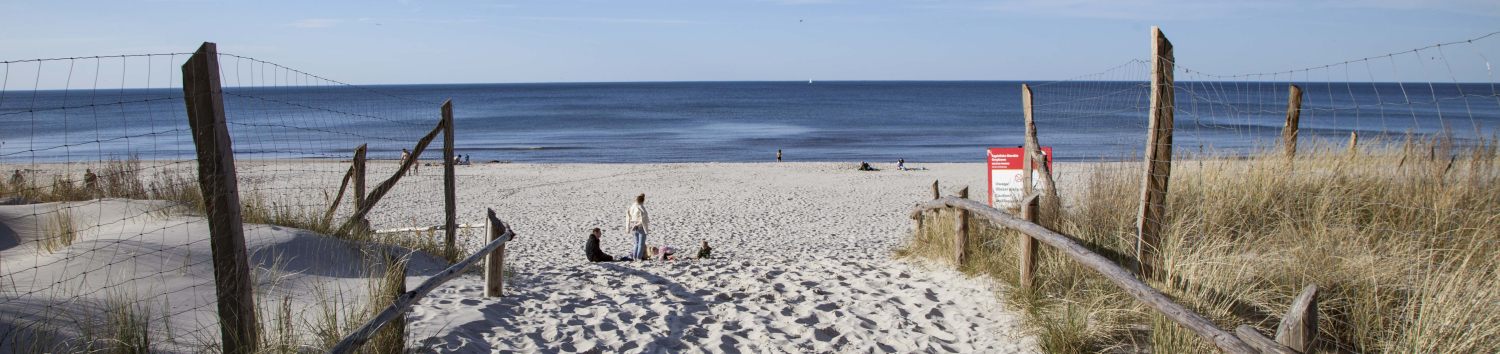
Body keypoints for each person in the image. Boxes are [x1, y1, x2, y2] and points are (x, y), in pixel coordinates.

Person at [627, 193, 650, 260]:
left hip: (633, 225)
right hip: (640, 226)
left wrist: (629, 225)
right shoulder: (641, 207)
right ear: (643, 200)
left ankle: (634, 257)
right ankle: (639, 257)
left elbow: (628, 215)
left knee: (636, 243)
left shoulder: (632, 206)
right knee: (641, 244)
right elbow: (643, 218)